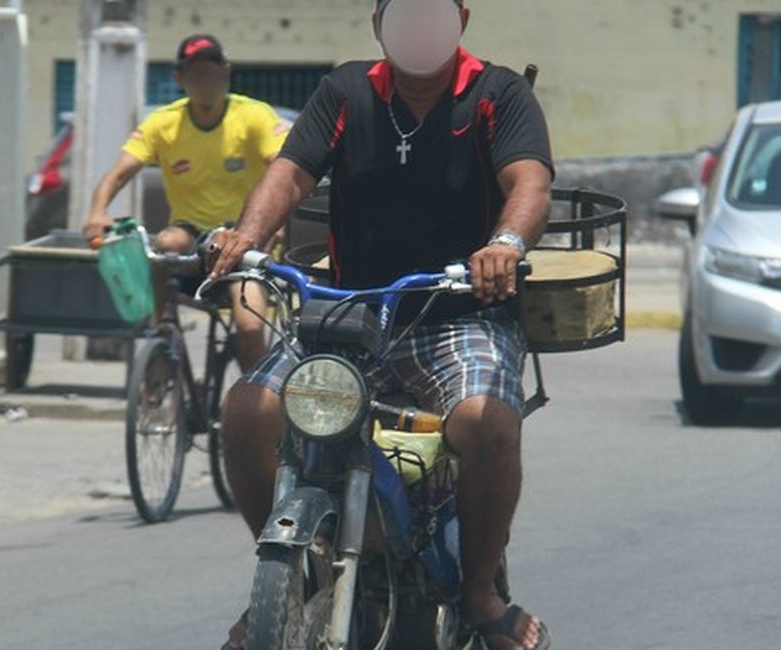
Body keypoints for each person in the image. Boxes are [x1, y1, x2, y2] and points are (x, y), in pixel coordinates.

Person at [209, 1, 554, 648]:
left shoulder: (496, 93)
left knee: (487, 421)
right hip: (350, 310)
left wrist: (505, 241)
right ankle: (283, 579)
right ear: (379, 24)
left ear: (461, 20)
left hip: (456, 312)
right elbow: (289, 172)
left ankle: (480, 591)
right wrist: (247, 237)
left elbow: (529, 182)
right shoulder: (344, 90)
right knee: (248, 407)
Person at [83, 34, 289, 373]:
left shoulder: (253, 116)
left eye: (212, 74)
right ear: (181, 79)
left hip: (245, 239)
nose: (205, 83)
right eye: (196, 75)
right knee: (165, 244)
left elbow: (284, 170)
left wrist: (279, 222)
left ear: (226, 73)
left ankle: (257, 406)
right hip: (193, 238)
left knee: (250, 327)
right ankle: (163, 339)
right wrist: (96, 212)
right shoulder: (164, 124)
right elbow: (119, 174)